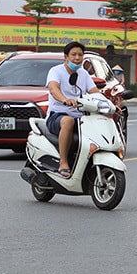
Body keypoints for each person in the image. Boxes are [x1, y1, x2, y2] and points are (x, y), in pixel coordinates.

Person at [46, 41, 100, 177]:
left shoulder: (84, 74)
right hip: (57, 116)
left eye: (80, 55)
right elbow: (53, 88)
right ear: (66, 57)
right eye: (73, 54)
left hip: (80, 117)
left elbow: (95, 92)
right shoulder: (55, 71)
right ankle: (63, 162)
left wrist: (109, 104)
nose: (77, 58)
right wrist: (65, 99)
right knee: (68, 120)